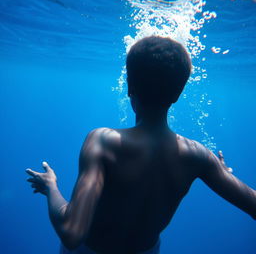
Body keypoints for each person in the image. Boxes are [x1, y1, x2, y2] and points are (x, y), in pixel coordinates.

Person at [25, 36, 256, 254]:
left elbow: (72, 233)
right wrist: (220, 172)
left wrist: (51, 187)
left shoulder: (104, 141)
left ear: (129, 87)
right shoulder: (199, 156)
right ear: (178, 93)